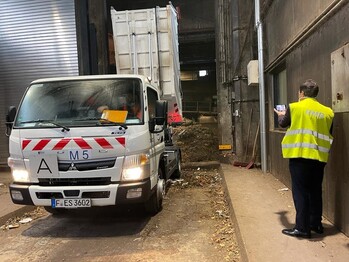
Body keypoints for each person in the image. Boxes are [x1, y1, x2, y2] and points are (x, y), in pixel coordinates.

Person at [274, 79, 334, 238]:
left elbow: (283, 124)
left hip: (300, 156)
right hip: (319, 157)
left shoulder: (294, 107)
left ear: (301, 93)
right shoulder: (328, 112)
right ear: (316, 94)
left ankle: (302, 228)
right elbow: (329, 132)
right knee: (315, 191)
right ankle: (316, 225)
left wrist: (281, 115)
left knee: (300, 192)